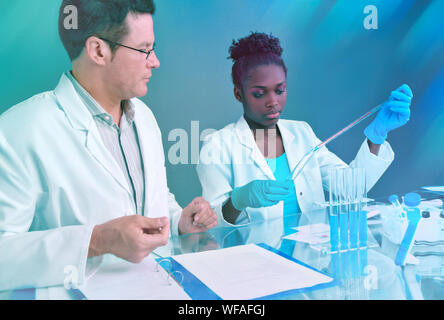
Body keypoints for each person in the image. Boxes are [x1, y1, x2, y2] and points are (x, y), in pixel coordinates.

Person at [0, 0, 217, 292]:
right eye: (144, 49)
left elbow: (150, 201)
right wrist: (97, 240)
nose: (155, 61)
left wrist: (179, 222)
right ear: (98, 50)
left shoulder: (144, 117)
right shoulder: (20, 129)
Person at [196, 32, 412, 226]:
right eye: (260, 93)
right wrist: (238, 200)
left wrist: (377, 136)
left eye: (280, 90)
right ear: (238, 94)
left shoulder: (302, 133)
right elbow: (210, 226)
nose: (273, 102)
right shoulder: (218, 145)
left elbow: (350, 189)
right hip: (253, 264)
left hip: (308, 259)